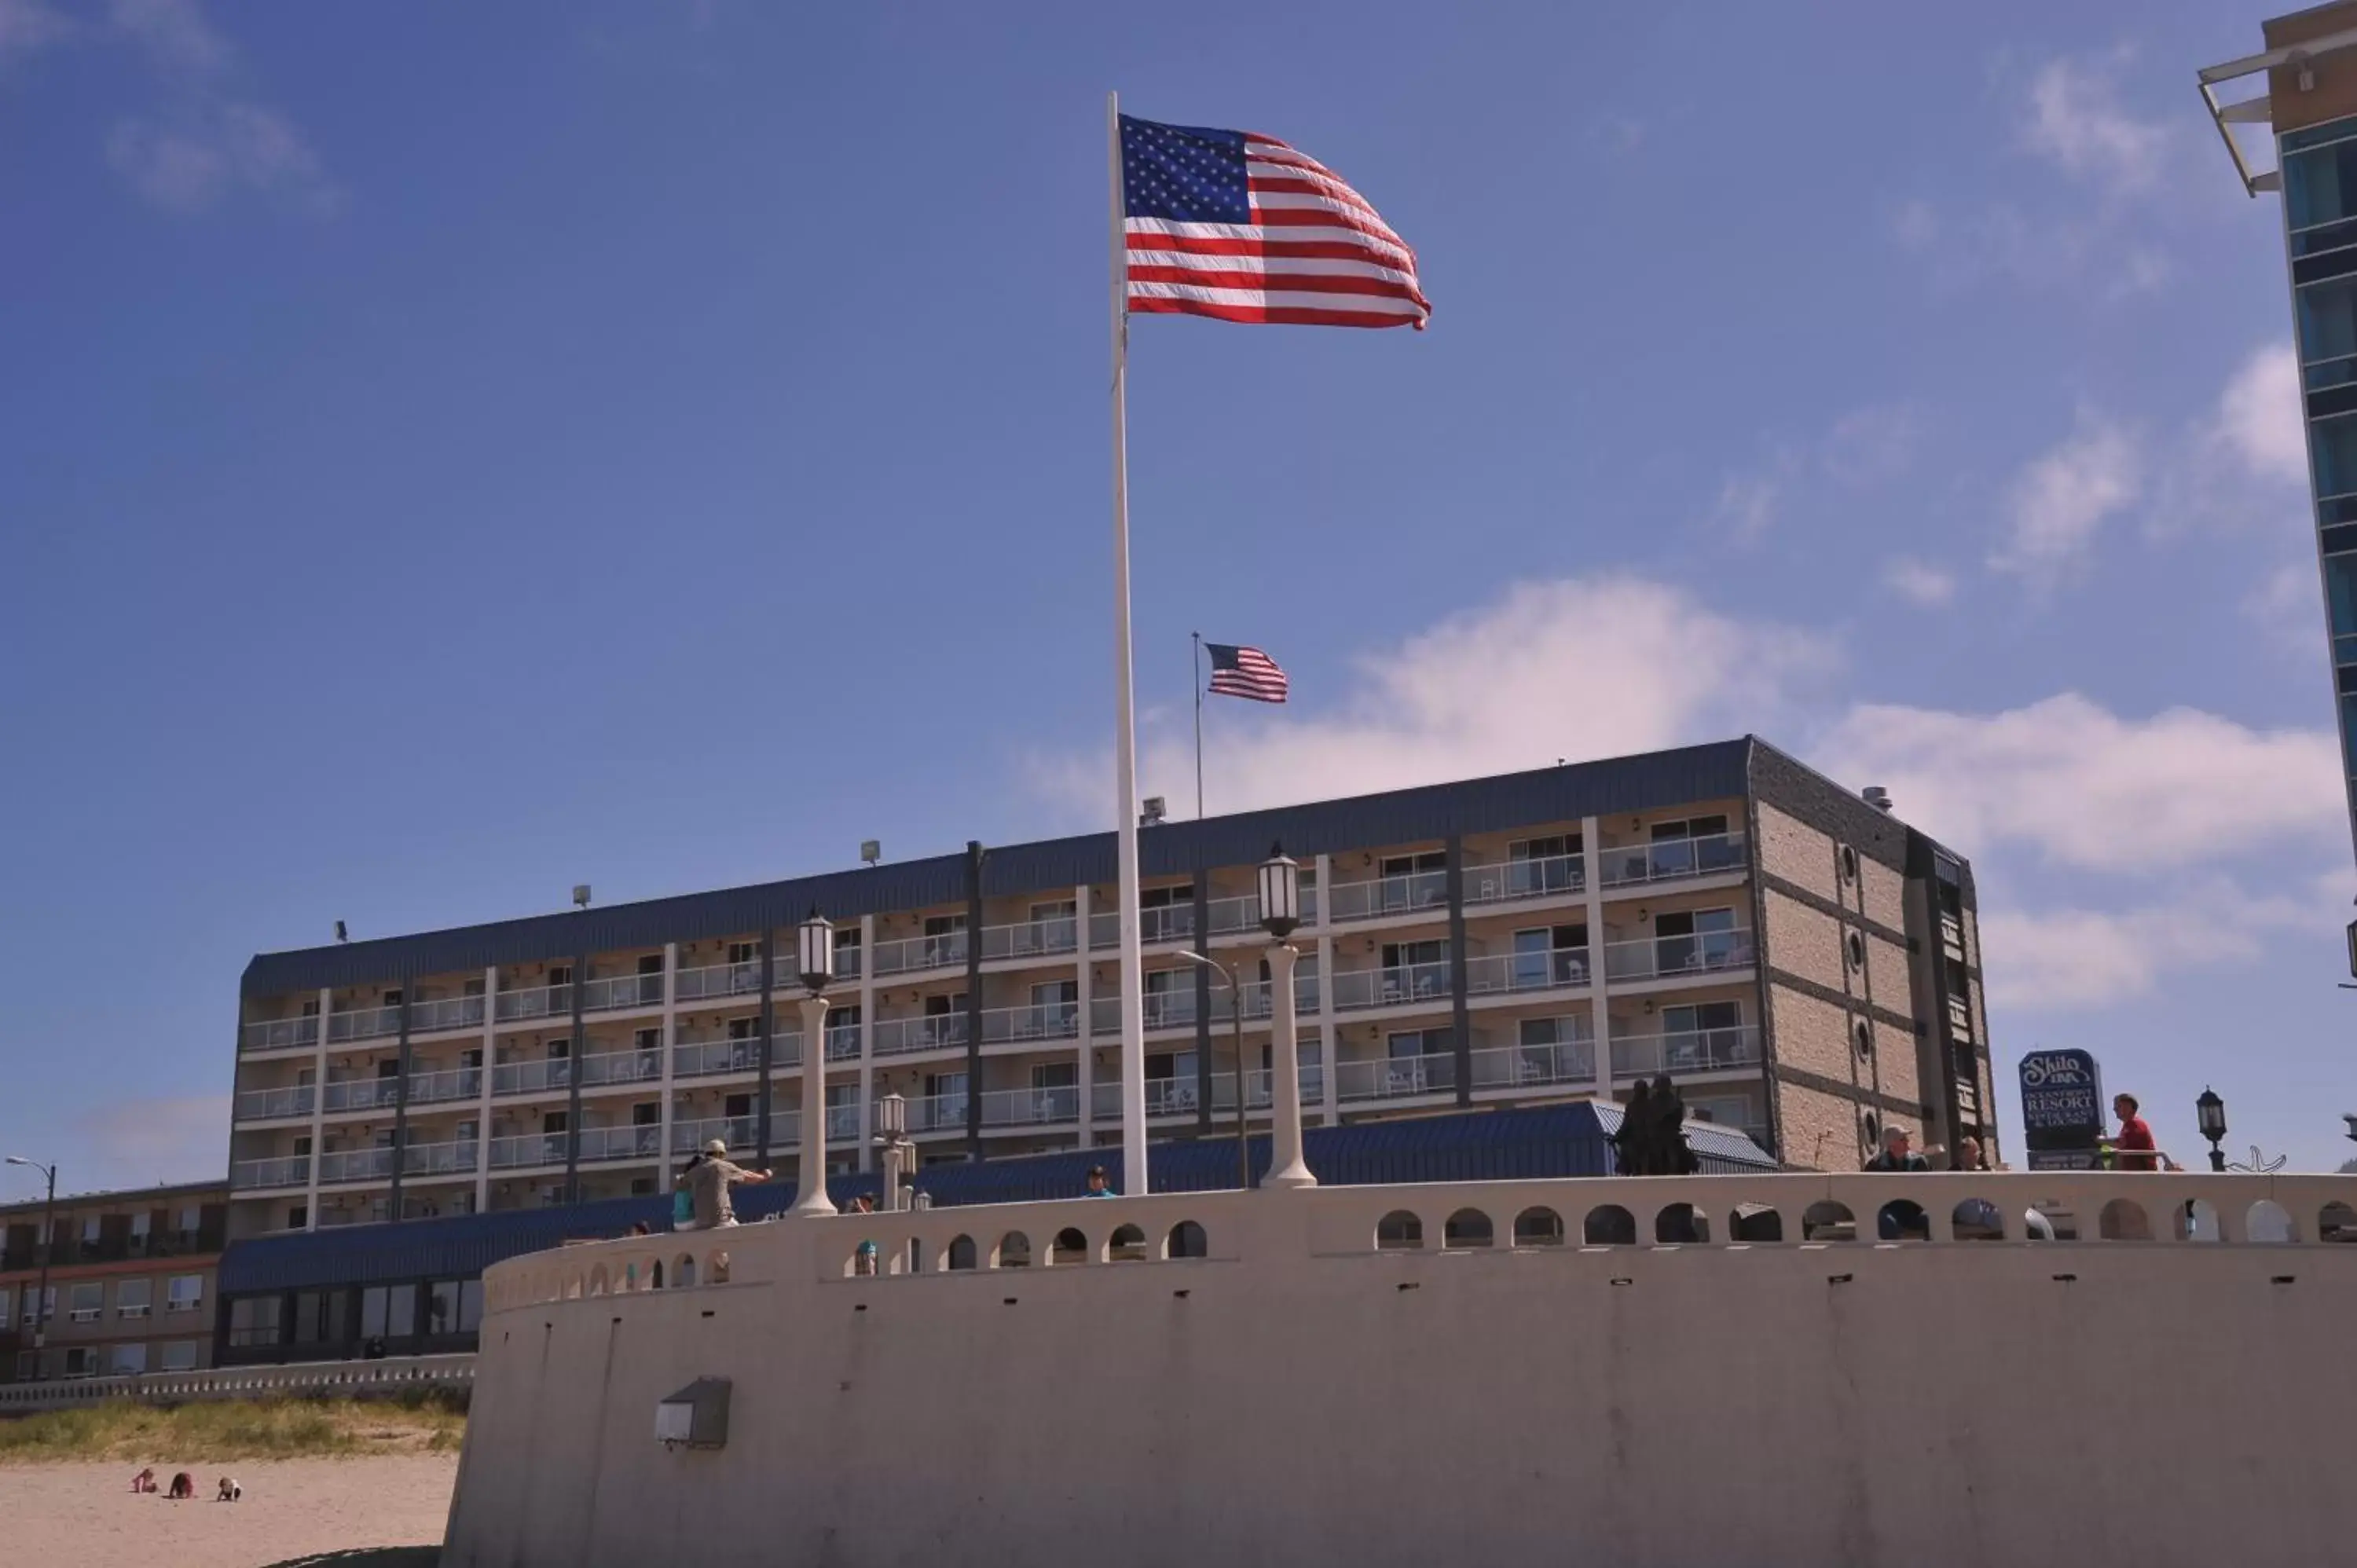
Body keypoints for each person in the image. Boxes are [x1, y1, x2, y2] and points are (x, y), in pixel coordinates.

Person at [687, 1138, 771, 1229]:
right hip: (721, 1221)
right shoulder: (723, 1166)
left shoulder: (696, 1170)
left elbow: (681, 1183)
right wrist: (764, 1176)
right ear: (720, 1154)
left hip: (701, 1221)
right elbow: (748, 1177)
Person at [1866, 1124, 1930, 1240]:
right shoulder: (1875, 1165)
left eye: (1907, 1138)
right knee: (1885, 1221)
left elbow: (1929, 1187)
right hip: (1891, 1210)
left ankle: (1934, 1255)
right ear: (1891, 1145)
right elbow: (1868, 1192)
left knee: (1933, 1219)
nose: (1907, 1141)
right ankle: (1893, 1256)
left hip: (1914, 1210)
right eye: (1903, 1139)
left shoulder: (1919, 1161)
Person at [2112, 1094, 2158, 1171]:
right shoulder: (2127, 1126)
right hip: (2133, 1176)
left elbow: (2121, 1143)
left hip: (2143, 1176)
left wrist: (2099, 1140)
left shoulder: (2135, 1124)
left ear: (2129, 1107)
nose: (2114, 1109)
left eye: (2119, 1106)